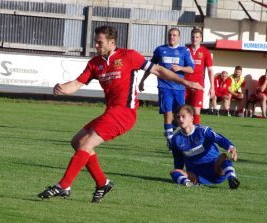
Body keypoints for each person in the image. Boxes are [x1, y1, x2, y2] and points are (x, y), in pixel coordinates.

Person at [37, 26, 203, 203]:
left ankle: (64, 185)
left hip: (125, 113)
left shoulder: (129, 56)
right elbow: (77, 83)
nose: (96, 45)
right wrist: (61, 88)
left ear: (112, 42)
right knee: (77, 142)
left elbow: (159, 70)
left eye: (99, 42)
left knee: (86, 144)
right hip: (110, 112)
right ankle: (102, 183)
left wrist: (185, 82)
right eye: (95, 41)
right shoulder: (95, 63)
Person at [139, 28, 195, 149]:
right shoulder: (160, 50)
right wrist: (142, 80)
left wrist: (180, 68)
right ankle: (170, 141)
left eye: (174, 35)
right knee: (167, 113)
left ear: (179, 37)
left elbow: (191, 69)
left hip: (179, 88)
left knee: (179, 116)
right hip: (164, 87)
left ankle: (170, 131)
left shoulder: (184, 51)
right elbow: (150, 67)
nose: (172, 37)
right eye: (170, 35)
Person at [170, 104, 240, 189]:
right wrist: (178, 174)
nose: (180, 119)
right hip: (196, 175)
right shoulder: (175, 139)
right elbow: (178, 161)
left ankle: (232, 179)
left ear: (191, 118)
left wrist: (231, 147)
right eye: (178, 117)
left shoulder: (203, 131)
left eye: (183, 116)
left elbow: (219, 138)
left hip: (215, 169)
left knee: (224, 156)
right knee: (174, 172)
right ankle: (189, 184)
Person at [185, 28, 214, 124]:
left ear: (201, 38)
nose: (195, 39)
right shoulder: (185, 50)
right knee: (184, 110)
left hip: (198, 86)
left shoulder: (205, 52)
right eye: (193, 37)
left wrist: (212, 87)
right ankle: (183, 132)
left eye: (197, 37)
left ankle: (196, 133)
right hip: (185, 85)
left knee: (196, 110)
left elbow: (210, 70)